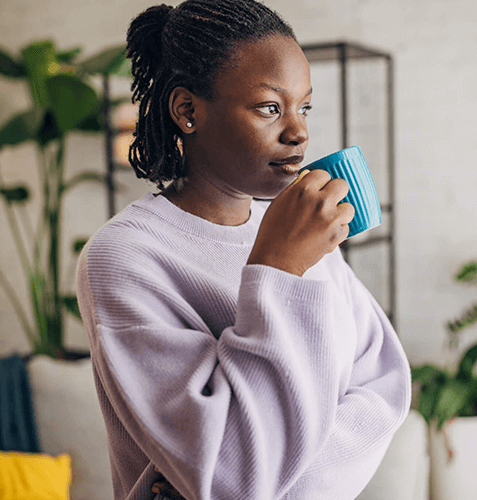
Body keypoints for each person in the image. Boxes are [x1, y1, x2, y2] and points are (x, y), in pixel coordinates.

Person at [76, 1, 411, 499]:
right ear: (188, 111)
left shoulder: (299, 229)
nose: (299, 131)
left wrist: (273, 481)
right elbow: (231, 475)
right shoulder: (126, 257)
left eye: (305, 107)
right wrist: (278, 266)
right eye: (270, 107)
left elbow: (383, 388)